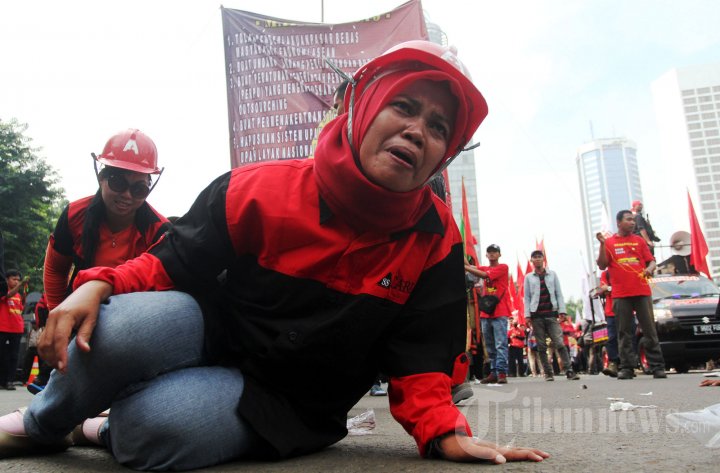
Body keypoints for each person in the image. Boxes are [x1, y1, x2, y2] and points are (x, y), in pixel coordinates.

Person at [0, 41, 548, 469]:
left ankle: (96, 427)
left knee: (152, 431)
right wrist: (99, 284)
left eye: (438, 127)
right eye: (403, 106)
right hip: (211, 335)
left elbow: (422, 355)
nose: (417, 131)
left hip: (291, 403)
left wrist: (443, 432)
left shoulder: (436, 238)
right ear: (359, 107)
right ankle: (43, 424)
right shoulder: (255, 189)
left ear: (445, 153)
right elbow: (171, 261)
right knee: (116, 327)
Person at [29, 129, 169, 395]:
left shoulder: (159, 230)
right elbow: (56, 269)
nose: (127, 195)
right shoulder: (75, 215)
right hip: (78, 308)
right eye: (117, 182)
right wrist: (60, 315)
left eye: (139, 188)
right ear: (101, 177)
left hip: (129, 319)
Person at [597, 210, 666, 380]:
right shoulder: (609, 242)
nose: (633, 223)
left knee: (649, 330)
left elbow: (651, 261)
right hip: (621, 294)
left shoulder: (639, 240)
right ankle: (627, 367)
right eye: (628, 220)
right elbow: (602, 265)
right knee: (624, 331)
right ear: (619, 223)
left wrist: (649, 269)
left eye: (633, 220)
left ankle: (657, 366)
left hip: (642, 291)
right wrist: (602, 245)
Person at [523, 250, 580, 381]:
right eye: (535, 257)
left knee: (559, 343)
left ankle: (569, 370)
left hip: (551, 314)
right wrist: (527, 315)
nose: (537, 259)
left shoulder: (552, 275)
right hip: (536, 315)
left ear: (543, 259)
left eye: (539, 257)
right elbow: (527, 298)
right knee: (541, 346)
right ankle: (548, 373)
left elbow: (559, 293)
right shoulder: (528, 278)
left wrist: (562, 311)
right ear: (531, 261)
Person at [465, 244, 512, 384]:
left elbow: (484, 275)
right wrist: (462, 254)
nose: (492, 254)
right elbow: (472, 268)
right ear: (486, 255)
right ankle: (493, 372)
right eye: (489, 252)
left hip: (500, 312)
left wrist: (466, 267)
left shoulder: (503, 267)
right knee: (490, 346)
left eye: (495, 252)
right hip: (486, 313)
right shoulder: (485, 268)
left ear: (499, 254)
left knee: (500, 344)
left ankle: (501, 373)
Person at [0, 270, 28, 390]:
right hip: (3, 328)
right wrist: (20, 285)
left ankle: (10, 381)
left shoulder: (18, 295)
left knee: (14, 356)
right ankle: (2, 381)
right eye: (14, 279)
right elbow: (8, 295)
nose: (16, 281)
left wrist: (24, 289)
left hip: (17, 329)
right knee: (2, 355)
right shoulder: (3, 292)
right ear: (7, 280)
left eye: (18, 279)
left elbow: (21, 307)